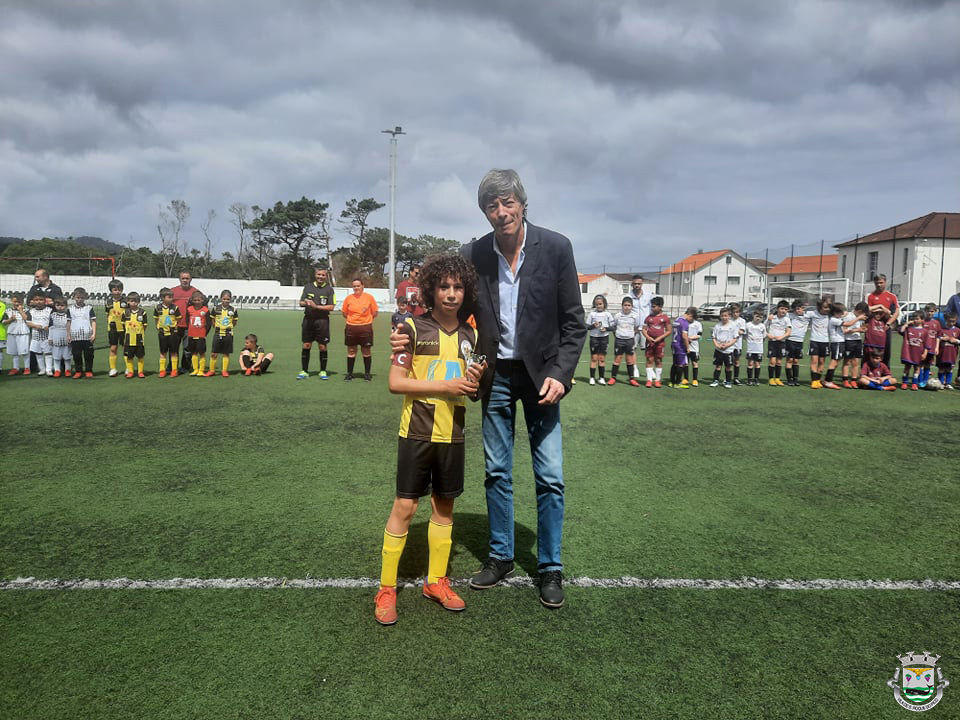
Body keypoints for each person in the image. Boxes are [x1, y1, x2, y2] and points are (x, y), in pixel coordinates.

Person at [394, 168, 585, 609]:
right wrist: (406, 332)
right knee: (497, 471)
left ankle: (550, 567)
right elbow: (446, 301)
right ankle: (500, 556)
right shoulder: (473, 253)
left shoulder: (556, 247)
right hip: (493, 376)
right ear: (484, 212)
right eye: (491, 207)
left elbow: (574, 322)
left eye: (507, 203)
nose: (501, 213)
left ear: (522, 203)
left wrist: (562, 371)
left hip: (543, 379)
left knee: (550, 477)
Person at [375, 254, 484, 626]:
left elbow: (471, 389)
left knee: (444, 507)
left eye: (457, 287)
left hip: (453, 435)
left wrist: (472, 385)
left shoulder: (472, 335)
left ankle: (435, 581)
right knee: (405, 508)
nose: (451, 294)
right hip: (417, 433)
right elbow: (395, 383)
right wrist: (446, 385)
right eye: (444, 287)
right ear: (431, 290)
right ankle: (386, 587)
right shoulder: (410, 327)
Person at [298, 267, 335, 380]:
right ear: (315, 275)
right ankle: (304, 371)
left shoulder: (329, 290)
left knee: (322, 346)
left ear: (326, 276)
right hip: (308, 320)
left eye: (323, 275)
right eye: (319, 274)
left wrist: (316, 306)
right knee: (306, 345)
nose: (320, 277)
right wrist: (306, 303)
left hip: (322, 321)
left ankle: (323, 371)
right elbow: (301, 302)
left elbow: (331, 307)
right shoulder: (308, 287)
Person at [341, 278, 378, 381]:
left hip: (365, 327)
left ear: (362, 286)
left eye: (358, 285)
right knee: (351, 351)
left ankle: (367, 374)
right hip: (351, 327)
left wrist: (365, 320)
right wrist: (353, 320)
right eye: (354, 286)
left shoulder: (369, 298)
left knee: (366, 351)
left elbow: (375, 312)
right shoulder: (348, 298)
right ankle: (349, 373)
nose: (356, 288)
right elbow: (344, 313)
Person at [866, 274, 899, 367]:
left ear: (885, 282)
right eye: (877, 283)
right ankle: (868, 371)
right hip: (873, 327)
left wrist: (888, 323)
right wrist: (881, 309)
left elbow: (896, 312)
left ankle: (885, 372)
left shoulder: (892, 296)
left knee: (886, 350)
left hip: (885, 326)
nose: (879, 285)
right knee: (871, 349)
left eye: (881, 282)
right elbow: (868, 310)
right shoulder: (870, 296)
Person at [608, 297, 641, 387]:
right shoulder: (618, 315)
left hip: (630, 340)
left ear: (632, 306)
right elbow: (614, 327)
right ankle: (613, 378)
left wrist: (630, 334)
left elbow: (636, 327)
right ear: (622, 306)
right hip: (619, 340)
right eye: (625, 305)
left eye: (629, 305)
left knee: (630, 360)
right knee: (617, 359)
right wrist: (618, 336)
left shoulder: (635, 316)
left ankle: (632, 379)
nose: (627, 307)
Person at [172, 271, 199, 373]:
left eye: (187, 278)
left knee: (187, 349)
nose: (185, 280)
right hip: (175, 325)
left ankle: (185, 367)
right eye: (183, 278)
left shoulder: (195, 292)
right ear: (179, 279)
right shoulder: (172, 291)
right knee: (174, 348)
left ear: (190, 279)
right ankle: (172, 367)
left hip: (189, 326)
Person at [208, 290, 239, 377]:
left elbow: (234, 321)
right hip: (218, 333)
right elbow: (212, 319)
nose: (226, 301)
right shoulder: (215, 308)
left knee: (226, 353)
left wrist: (229, 327)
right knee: (214, 353)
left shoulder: (233, 309)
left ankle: (224, 371)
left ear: (231, 299)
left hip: (228, 334)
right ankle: (212, 370)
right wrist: (216, 326)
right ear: (221, 298)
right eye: (224, 299)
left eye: (228, 299)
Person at [641, 296, 671, 388]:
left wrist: (659, 338)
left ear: (660, 307)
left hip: (660, 343)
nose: (652, 308)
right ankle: (649, 380)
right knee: (649, 359)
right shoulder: (648, 318)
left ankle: (657, 380)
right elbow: (644, 329)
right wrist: (648, 337)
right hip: (650, 342)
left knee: (658, 360)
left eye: (654, 306)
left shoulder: (665, 318)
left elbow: (669, 331)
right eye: (651, 306)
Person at [67, 287, 96, 378]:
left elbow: (93, 321)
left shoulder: (89, 308)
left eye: (81, 298)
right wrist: (68, 335)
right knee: (76, 354)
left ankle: (88, 371)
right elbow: (68, 323)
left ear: (85, 298)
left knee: (88, 355)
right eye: (77, 297)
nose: (79, 299)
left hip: (87, 336)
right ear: (74, 297)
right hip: (75, 336)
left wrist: (94, 334)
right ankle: (78, 371)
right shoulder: (70, 309)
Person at [153, 288, 182, 378]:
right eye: (169, 297)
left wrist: (174, 325)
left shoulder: (175, 307)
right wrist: (158, 327)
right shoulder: (157, 307)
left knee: (174, 352)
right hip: (162, 333)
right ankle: (162, 370)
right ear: (162, 298)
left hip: (173, 333)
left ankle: (174, 370)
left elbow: (179, 318)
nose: (171, 299)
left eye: (172, 297)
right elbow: (156, 318)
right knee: (163, 352)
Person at [628, 275, 653, 377]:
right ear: (632, 284)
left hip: (645, 328)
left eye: (639, 283)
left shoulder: (648, 295)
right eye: (635, 283)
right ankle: (635, 368)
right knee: (632, 349)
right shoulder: (628, 296)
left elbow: (652, 310)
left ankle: (650, 370)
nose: (637, 285)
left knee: (648, 350)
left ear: (642, 284)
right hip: (633, 328)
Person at [586, 294, 614, 386]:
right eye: (597, 304)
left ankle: (601, 378)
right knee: (594, 358)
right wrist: (593, 325)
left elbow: (613, 327)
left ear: (604, 304)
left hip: (604, 338)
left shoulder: (608, 314)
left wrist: (606, 328)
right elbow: (587, 327)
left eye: (600, 304)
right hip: (594, 338)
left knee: (602, 358)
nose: (599, 306)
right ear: (594, 305)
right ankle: (592, 378)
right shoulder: (592, 314)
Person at [806, 297, 831, 389]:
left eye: (828, 307)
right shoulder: (812, 313)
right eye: (825, 307)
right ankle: (814, 381)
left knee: (822, 361)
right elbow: (800, 313)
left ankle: (818, 380)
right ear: (819, 307)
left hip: (825, 341)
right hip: (814, 340)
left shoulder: (830, 315)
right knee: (814, 361)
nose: (827, 309)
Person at [26, 292, 53, 376]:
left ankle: (49, 369)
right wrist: (35, 326)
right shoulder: (31, 311)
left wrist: (48, 327)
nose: (38, 301)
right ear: (33, 301)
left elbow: (54, 322)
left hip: (47, 336)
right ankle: (42, 369)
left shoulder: (50, 310)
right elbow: (27, 322)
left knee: (48, 352)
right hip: (36, 336)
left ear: (45, 300)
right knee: (38, 353)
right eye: (36, 300)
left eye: (41, 299)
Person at [842, 301, 868, 388]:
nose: (864, 315)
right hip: (849, 341)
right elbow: (844, 331)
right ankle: (845, 380)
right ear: (859, 310)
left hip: (858, 340)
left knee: (856, 362)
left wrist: (862, 330)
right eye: (863, 313)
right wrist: (857, 330)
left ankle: (853, 380)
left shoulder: (860, 318)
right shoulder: (849, 316)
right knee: (847, 361)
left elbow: (860, 328)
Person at [185, 290, 212, 376]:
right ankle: (195, 369)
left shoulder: (205, 310)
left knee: (202, 353)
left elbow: (209, 323)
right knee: (193, 352)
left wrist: (205, 333)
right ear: (192, 300)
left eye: (199, 300)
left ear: (202, 300)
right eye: (195, 300)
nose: (197, 302)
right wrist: (190, 329)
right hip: (191, 334)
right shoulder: (189, 309)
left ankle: (201, 370)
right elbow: (187, 321)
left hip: (201, 335)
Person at [710, 307, 737, 388]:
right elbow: (714, 337)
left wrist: (727, 345)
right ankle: (715, 380)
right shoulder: (717, 326)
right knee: (718, 366)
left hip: (728, 350)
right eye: (722, 316)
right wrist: (717, 345)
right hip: (718, 350)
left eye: (726, 316)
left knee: (728, 367)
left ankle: (728, 382)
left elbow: (735, 338)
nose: (724, 317)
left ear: (729, 316)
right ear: (720, 316)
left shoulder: (733, 325)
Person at [784, 300, 810, 386]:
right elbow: (781, 313)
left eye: (802, 308)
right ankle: (789, 379)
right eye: (797, 309)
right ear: (794, 309)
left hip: (800, 341)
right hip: (790, 340)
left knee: (796, 360)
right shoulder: (789, 316)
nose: (800, 310)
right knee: (790, 360)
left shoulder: (807, 317)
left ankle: (795, 379)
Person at [668, 306, 695, 388]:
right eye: (692, 319)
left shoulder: (677, 319)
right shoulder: (685, 323)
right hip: (680, 345)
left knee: (675, 363)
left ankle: (671, 382)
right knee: (680, 365)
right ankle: (677, 383)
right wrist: (687, 347)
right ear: (690, 315)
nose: (692, 321)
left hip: (674, 343)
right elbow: (684, 336)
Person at [105, 279, 127, 377]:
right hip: (113, 329)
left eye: (119, 290)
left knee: (126, 348)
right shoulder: (108, 302)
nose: (117, 292)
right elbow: (107, 315)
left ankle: (128, 368)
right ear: (111, 291)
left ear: (122, 290)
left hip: (124, 328)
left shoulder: (126, 301)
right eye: (115, 290)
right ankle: (113, 369)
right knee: (113, 348)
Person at [122, 292, 147, 378]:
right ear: (128, 302)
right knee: (129, 357)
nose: (134, 303)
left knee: (140, 356)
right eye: (132, 301)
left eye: (136, 301)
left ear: (139, 301)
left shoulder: (142, 312)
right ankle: (130, 371)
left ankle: (140, 372)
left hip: (139, 338)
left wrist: (140, 333)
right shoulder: (125, 312)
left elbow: (144, 325)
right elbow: (123, 325)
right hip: (129, 339)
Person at [822, 302, 847, 390]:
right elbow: (848, 324)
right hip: (836, 343)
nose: (843, 314)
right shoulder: (833, 320)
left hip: (840, 342)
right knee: (834, 362)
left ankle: (828, 380)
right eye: (841, 312)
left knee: (837, 362)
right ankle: (827, 381)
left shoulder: (836, 319)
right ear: (836, 312)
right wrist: (858, 318)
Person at [4, 293, 30, 374]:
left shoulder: (26, 310)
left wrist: (20, 310)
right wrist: (10, 319)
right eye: (15, 302)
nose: (17, 303)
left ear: (22, 302)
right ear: (12, 301)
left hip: (23, 333)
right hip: (12, 333)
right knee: (14, 352)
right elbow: (4, 322)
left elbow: (27, 319)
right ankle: (16, 368)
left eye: (19, 302)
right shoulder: (8, 311)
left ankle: (27, 368)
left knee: (25, 352)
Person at [766, 300, 791, 386]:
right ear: (777, 309)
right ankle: (771, 379)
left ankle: (777, 379)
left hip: (782, 343)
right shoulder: (772, 317)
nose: (783, 311)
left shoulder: (787, 319)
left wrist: (782, 337)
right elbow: (764, 328)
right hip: (772, 342)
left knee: (779, 362)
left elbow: (788, 332)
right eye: (782, 308)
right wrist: (768, 335)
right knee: (772, 361)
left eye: (786, 309)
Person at [898, 311, 925, 390]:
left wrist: (925, 353)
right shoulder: (908, 329)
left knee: (917, 368)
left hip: (918, 353)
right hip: (908, 353)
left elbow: (926, 344)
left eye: (917, 319)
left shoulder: (924, 331)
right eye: (914, 319)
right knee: (907, 367)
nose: (915, 320)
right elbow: (901, 331)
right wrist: (906, 324)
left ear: (922, 320)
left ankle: (914, 383)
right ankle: (905, 383)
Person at [48, 296, 72, 377]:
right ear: (55, 305)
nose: (60, 307)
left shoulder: (68, 315)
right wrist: (50, 338)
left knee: (67, 356)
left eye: (62, 305)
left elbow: (70, 326)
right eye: (58, 305)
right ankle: (57, 370)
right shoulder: (52, 315)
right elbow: (50, 327)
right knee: (56, 356)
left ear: (66, 306)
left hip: (66, 337)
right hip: (56, 337)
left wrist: (70, 336)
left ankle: (67, 370)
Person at [918, 303, 941, 388]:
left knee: (928, 365)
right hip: (922, 347)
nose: (930, 313)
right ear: (925, 311)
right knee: (920, 364)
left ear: (935, 311)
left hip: (932, 348)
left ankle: (925, 381)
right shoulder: (922, 322)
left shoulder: (937, 323)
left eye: (932, 311)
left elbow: (938, 336)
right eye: (928, 311)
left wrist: (937, 347)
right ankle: (919, 381)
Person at [744, 309, 766, 386]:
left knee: (757, 364)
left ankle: (756, 379)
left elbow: (764, 337)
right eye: (757, 316)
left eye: (760, 317)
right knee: (750, 363)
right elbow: (745, 335)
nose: (758, 318)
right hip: (750, 348)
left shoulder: (762, 326)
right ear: (753, 315)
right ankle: (749, 379)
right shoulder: (748, 325)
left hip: (759, 348)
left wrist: (758, 342)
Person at [937, 312, 958, 388]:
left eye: (953, 321)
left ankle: (948, 383)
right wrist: (943, 338)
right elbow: (937, 338)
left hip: (952, 353)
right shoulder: (941, 330)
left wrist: (956, 341)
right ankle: (941, 383)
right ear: (946, 320)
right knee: (941, 369)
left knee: (950, 369)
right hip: (942, 353)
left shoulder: (957, 330)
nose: (951, 323)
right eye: (950, 321)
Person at [729, 303, 746, 385]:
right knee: (728, 362)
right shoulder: (728, 320)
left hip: (737, 345)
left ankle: (736, 378)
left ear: (740, 312)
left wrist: (732, 332)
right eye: (734, 312)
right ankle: (727, 378)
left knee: (736, 361)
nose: (735, 314)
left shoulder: (742, 321)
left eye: (737, 312)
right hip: (728, 345)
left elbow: (741, 332)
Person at [687, 312, 703, 386]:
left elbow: (699, 335)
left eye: (690, 316)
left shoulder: (698, 324)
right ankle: (685, 379)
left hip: (694, 347)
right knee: (685, 363)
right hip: (685, 346)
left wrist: (690, 338)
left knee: (694, 363)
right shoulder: (685, 323)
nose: (688, 317)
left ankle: (695, 380)